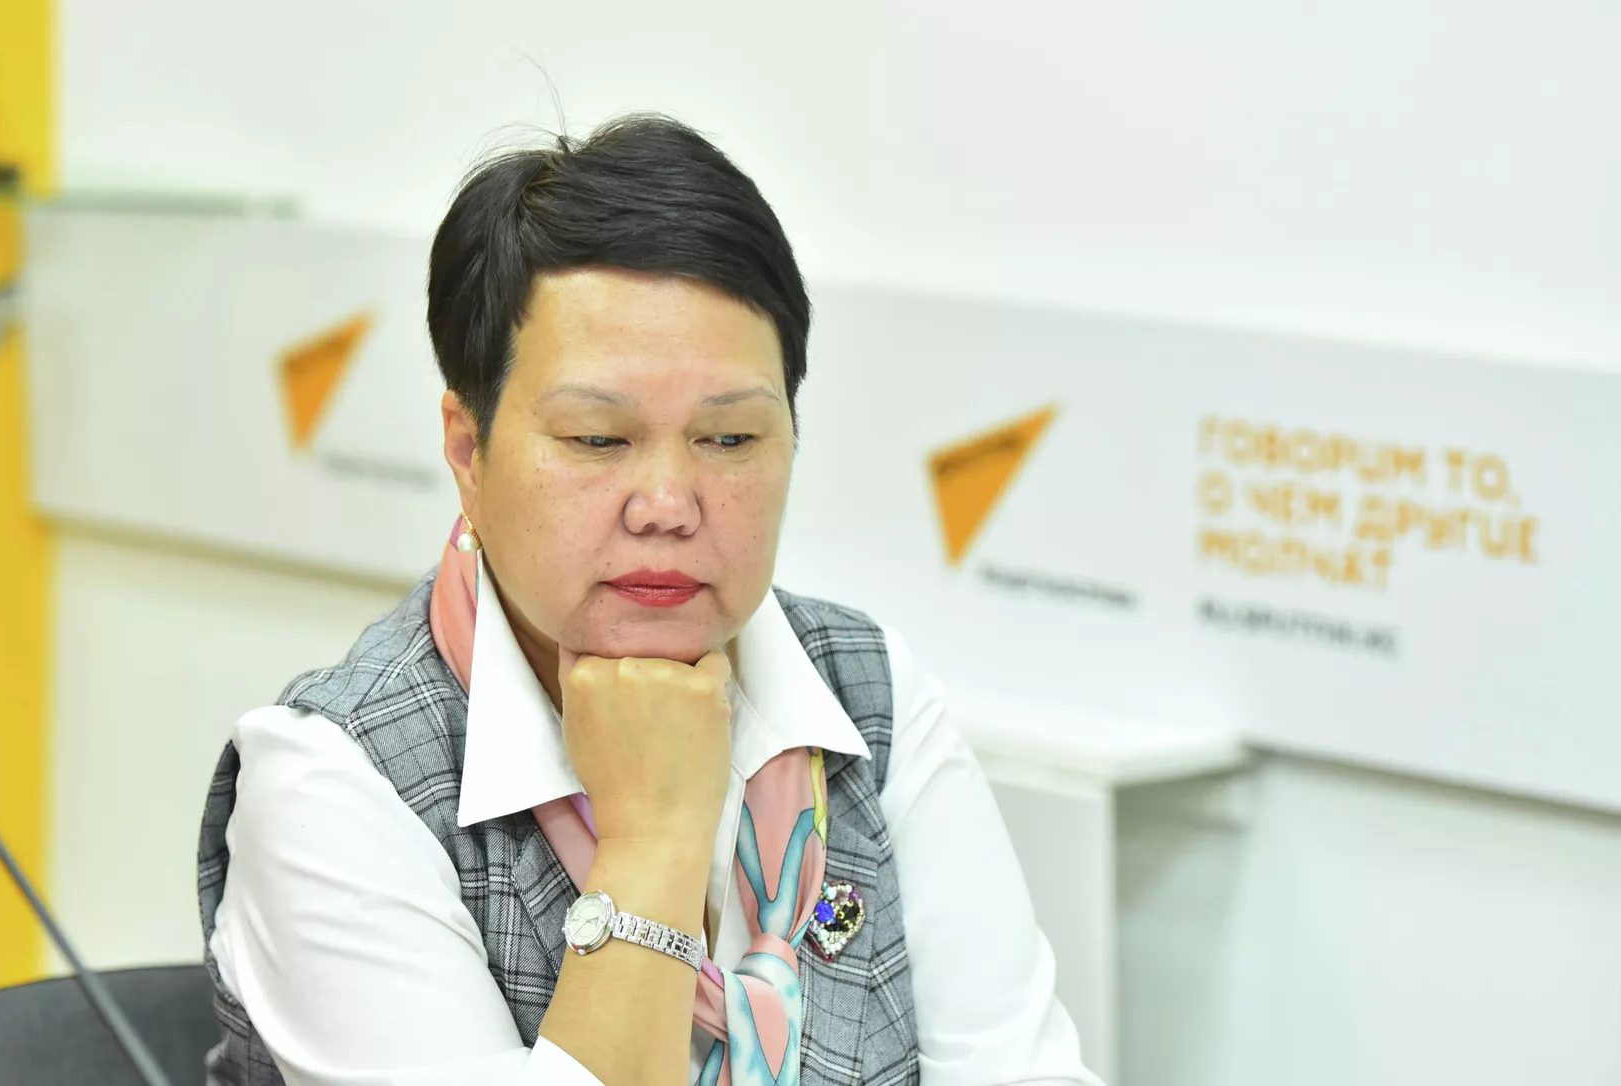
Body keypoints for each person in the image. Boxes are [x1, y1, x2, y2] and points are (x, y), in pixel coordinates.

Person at [197, 113, 1101, 1086]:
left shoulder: (869, 697)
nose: (668, 504)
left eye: (729, 440)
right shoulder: (334, 783)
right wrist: (654, 841)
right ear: (468, 449)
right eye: (598, 440)